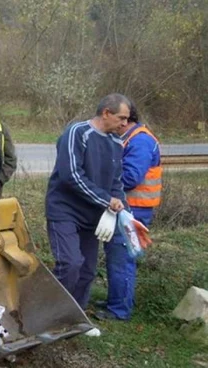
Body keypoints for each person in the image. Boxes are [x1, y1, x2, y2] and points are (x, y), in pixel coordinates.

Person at [45, 93, 130, 310]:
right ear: (106, 113)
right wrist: (106, 200)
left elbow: (116, 182)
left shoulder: (116, 142)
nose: (125, 123)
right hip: (65, 210)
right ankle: (50, 313)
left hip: (93, 216)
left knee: (87, 270)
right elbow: (71, 175)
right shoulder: (77, 132)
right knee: (71, 263)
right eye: (121, 117)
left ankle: (75, 315)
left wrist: (123, 210)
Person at [95, 102, 162, 320]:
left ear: (126, 120)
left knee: (121, 259)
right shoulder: (131, 138)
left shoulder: (140, 141)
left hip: (133, 210)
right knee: (117, 257)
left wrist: (101, 179)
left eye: (120, 121)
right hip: (126, 209)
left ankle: (119, 310)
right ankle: (116, 301)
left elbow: (131, 177)